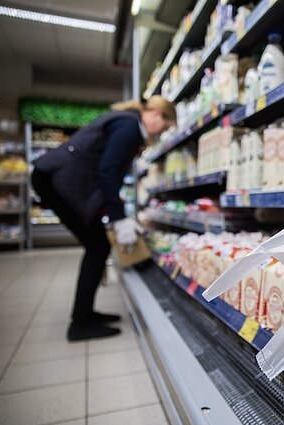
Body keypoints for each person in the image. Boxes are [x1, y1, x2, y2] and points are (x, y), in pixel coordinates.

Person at [32, 96, 176, 341]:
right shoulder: (129, 127)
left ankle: (85, 315)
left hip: (60, 181)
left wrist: (115, 215)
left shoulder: (128, 125)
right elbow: (108, 172)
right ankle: (80, 324)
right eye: (164, 126)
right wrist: (118, 220)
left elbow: (106, 174)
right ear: (154, 114)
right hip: (56, 181)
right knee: (97, 245)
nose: (161, 133)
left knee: (97, 244)